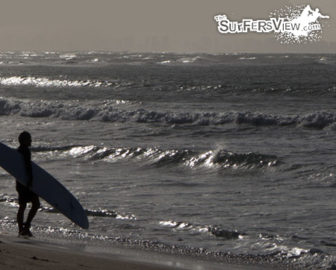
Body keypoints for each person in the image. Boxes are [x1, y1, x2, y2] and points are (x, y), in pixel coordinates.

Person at [16, 131, 40, 237]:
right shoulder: (26, 151)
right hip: (26, 183)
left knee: (22, 206)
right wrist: (30, 181)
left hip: (19, 182)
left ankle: (21, 229)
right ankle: (26, 227)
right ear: (24, 140)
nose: (31, 140)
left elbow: (17, 168)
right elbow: (27, 167)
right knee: (36, 204)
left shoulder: (17, 151)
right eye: (29, 139)